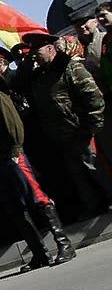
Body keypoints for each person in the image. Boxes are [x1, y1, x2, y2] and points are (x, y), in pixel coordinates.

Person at [0, 58, 74, 270]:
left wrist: (16, 150)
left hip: (11, 158)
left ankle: (64, 243)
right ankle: (39, 253)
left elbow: (13, 123)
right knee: (16, 210)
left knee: (37, 199)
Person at [23, 31, 112, 218]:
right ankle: (94, 207)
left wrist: (93, 126)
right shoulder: (41, 76)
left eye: (37, 51)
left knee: (96, 168)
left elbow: (93, 97)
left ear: (50, 48)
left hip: (81, 131)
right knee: (78, 175)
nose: (34, 56)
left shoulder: (71, 68)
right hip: (61, 136)